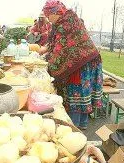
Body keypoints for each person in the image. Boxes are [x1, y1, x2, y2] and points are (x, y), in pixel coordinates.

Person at [41, 0, 103, 130]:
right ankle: (82, 125)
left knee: (76, 93)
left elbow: (61, 50)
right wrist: (46, 52)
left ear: (55, 12)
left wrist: (48, 65)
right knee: (83, 93)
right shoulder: (64, 21)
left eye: (48, 15)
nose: (47, 18)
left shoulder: (66, 23)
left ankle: (73, 128)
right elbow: (56, 44)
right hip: (84, 60)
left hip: (80, 63)